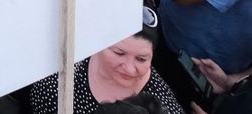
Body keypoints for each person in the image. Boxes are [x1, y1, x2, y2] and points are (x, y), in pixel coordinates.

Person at [27, 14, 182, 114]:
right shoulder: (54, 85)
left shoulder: (166, 106)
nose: (129, 68)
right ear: (99, 43)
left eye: (141, 59)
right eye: (119, 53)